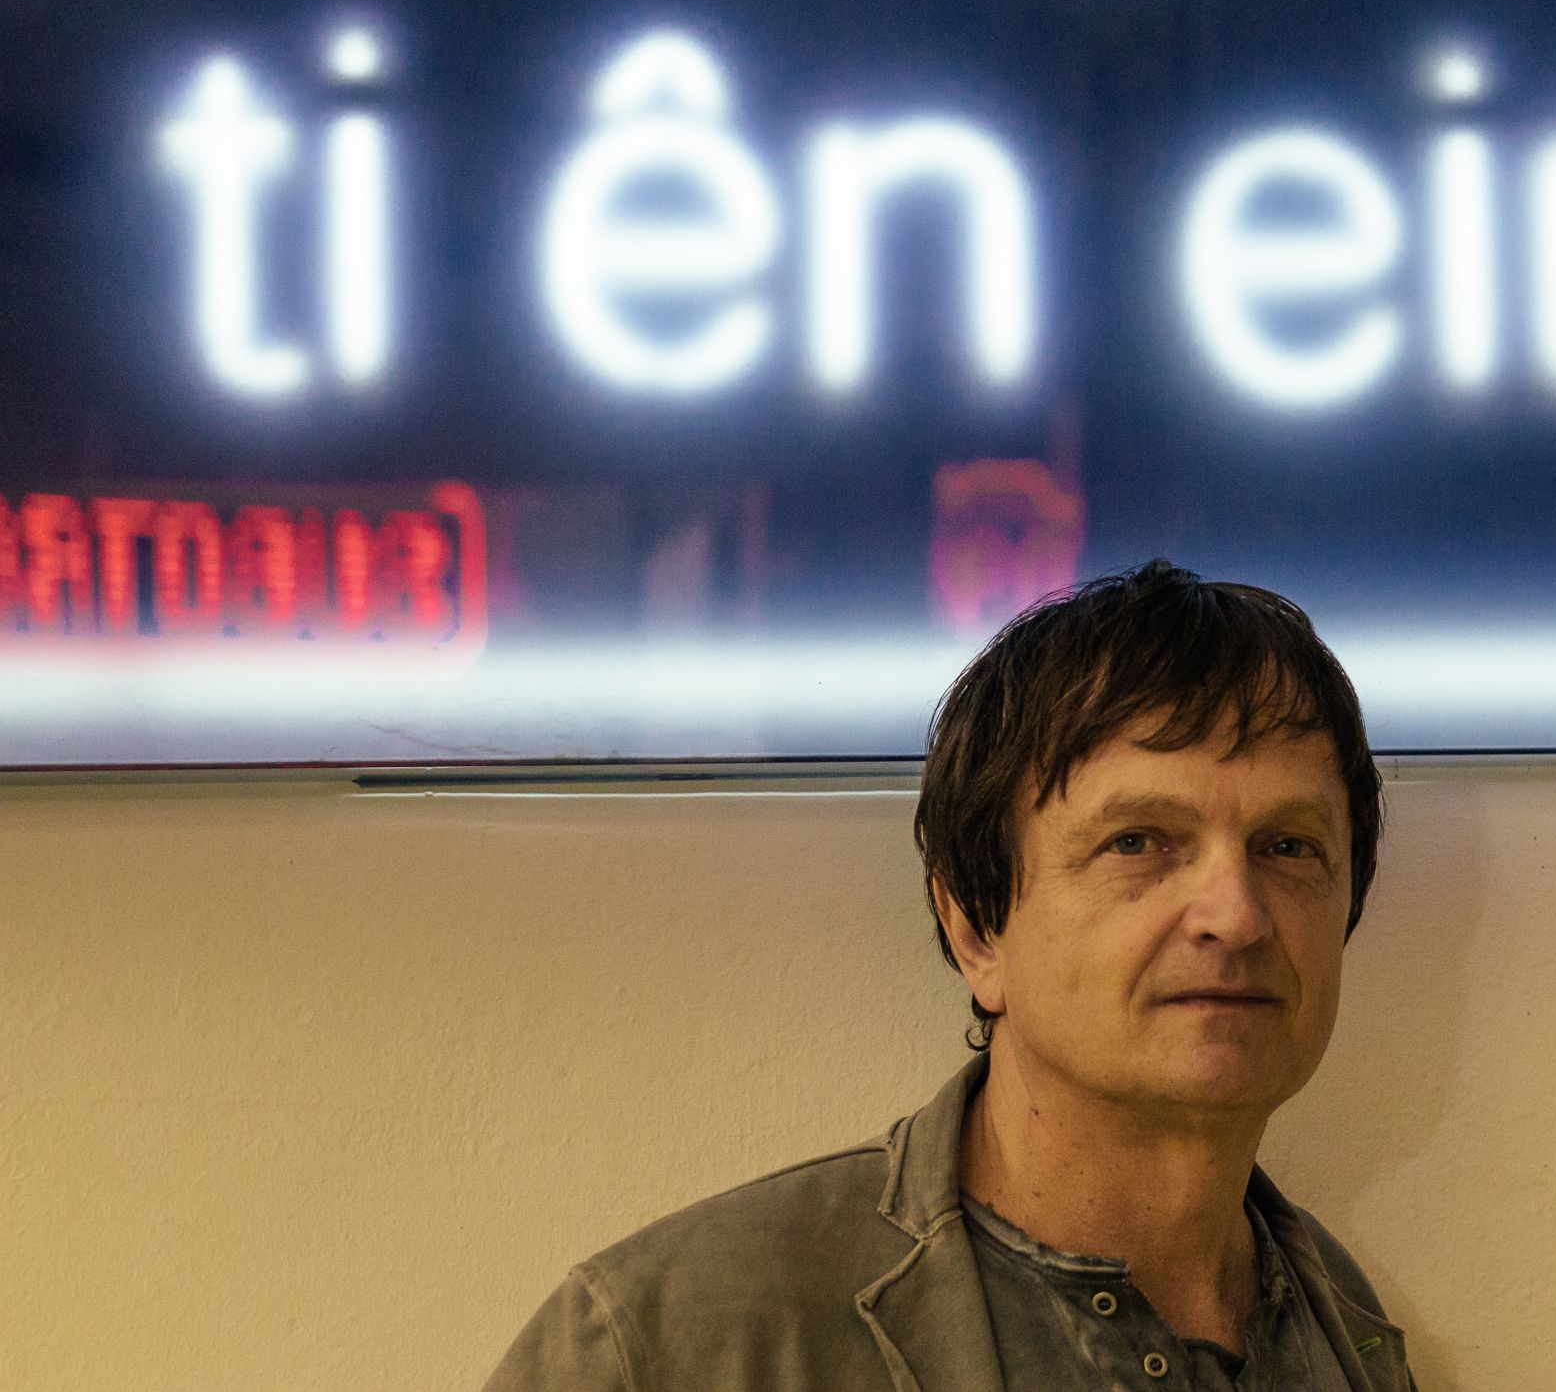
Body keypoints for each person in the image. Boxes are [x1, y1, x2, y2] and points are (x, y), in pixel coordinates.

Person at [481, 560, 1415, 1391]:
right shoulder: (668, 1345)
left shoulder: (1343, 1323)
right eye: (1138, 842)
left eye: (1289, 846)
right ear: (975, 928)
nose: (1237, 914)